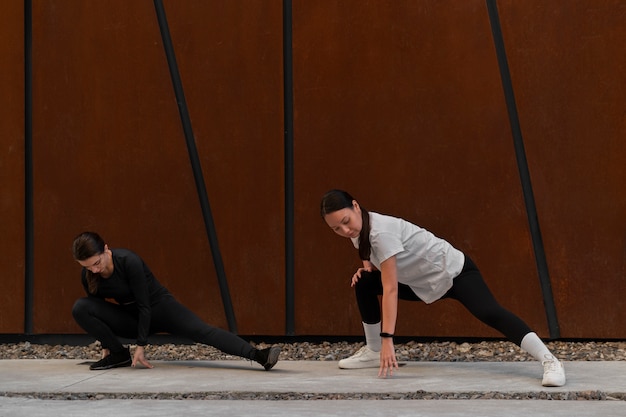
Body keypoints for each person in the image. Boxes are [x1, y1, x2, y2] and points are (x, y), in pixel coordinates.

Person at [320, 189, 566, 387]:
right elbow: (366, 251)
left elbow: (391, 288)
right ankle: (372, 352)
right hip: (421, 283)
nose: (345, 230)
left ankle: (550, 360)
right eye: (335, 229)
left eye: (345, 222)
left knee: (490, 313)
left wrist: (388, 340)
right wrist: (366, 268)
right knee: (364, 282)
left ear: (355, 206)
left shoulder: (380, 232)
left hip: (454, 273)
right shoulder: (359, 228)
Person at [71, 231, 280, 371]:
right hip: (131, 318)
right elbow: (96, 308)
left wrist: (141, 345)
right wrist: (107, 345)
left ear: (106, 249)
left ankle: (259, 356)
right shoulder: (88, 275)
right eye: (88, 267)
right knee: (81, 307)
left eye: (96, 263)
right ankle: (119, 355)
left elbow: (145, 305)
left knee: (202, 331)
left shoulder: (128, 261)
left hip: (160, 308)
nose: (94, 270)